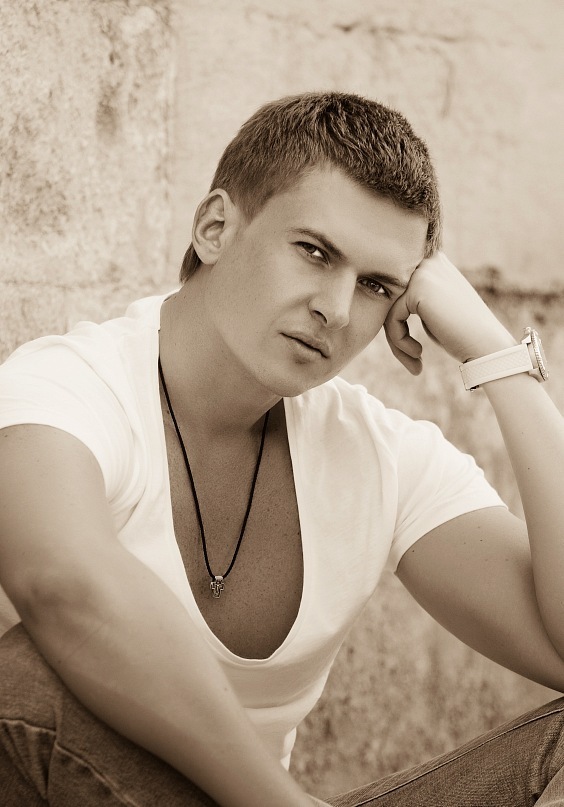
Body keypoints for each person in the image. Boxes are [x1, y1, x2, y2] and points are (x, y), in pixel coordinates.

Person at [0, 91, 563, 807]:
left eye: (376, 285)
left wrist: (499, 360)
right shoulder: (65, 387)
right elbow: (62, 584)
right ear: (215, 227)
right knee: (24, 681)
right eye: (315, 252)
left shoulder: (376, 451)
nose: (336, 307)